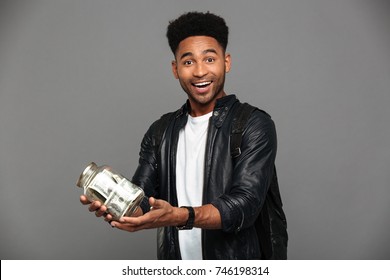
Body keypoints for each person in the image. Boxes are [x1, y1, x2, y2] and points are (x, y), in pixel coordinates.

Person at [80, 11, 287, 260]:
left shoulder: (253, 124)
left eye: (209, 59)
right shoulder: (160, 132)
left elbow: (244, 206)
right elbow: (144, 201)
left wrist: (181, 216)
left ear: (227, 62)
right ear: (175, 68)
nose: (200, 72)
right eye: (188, 62)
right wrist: (117, 204)